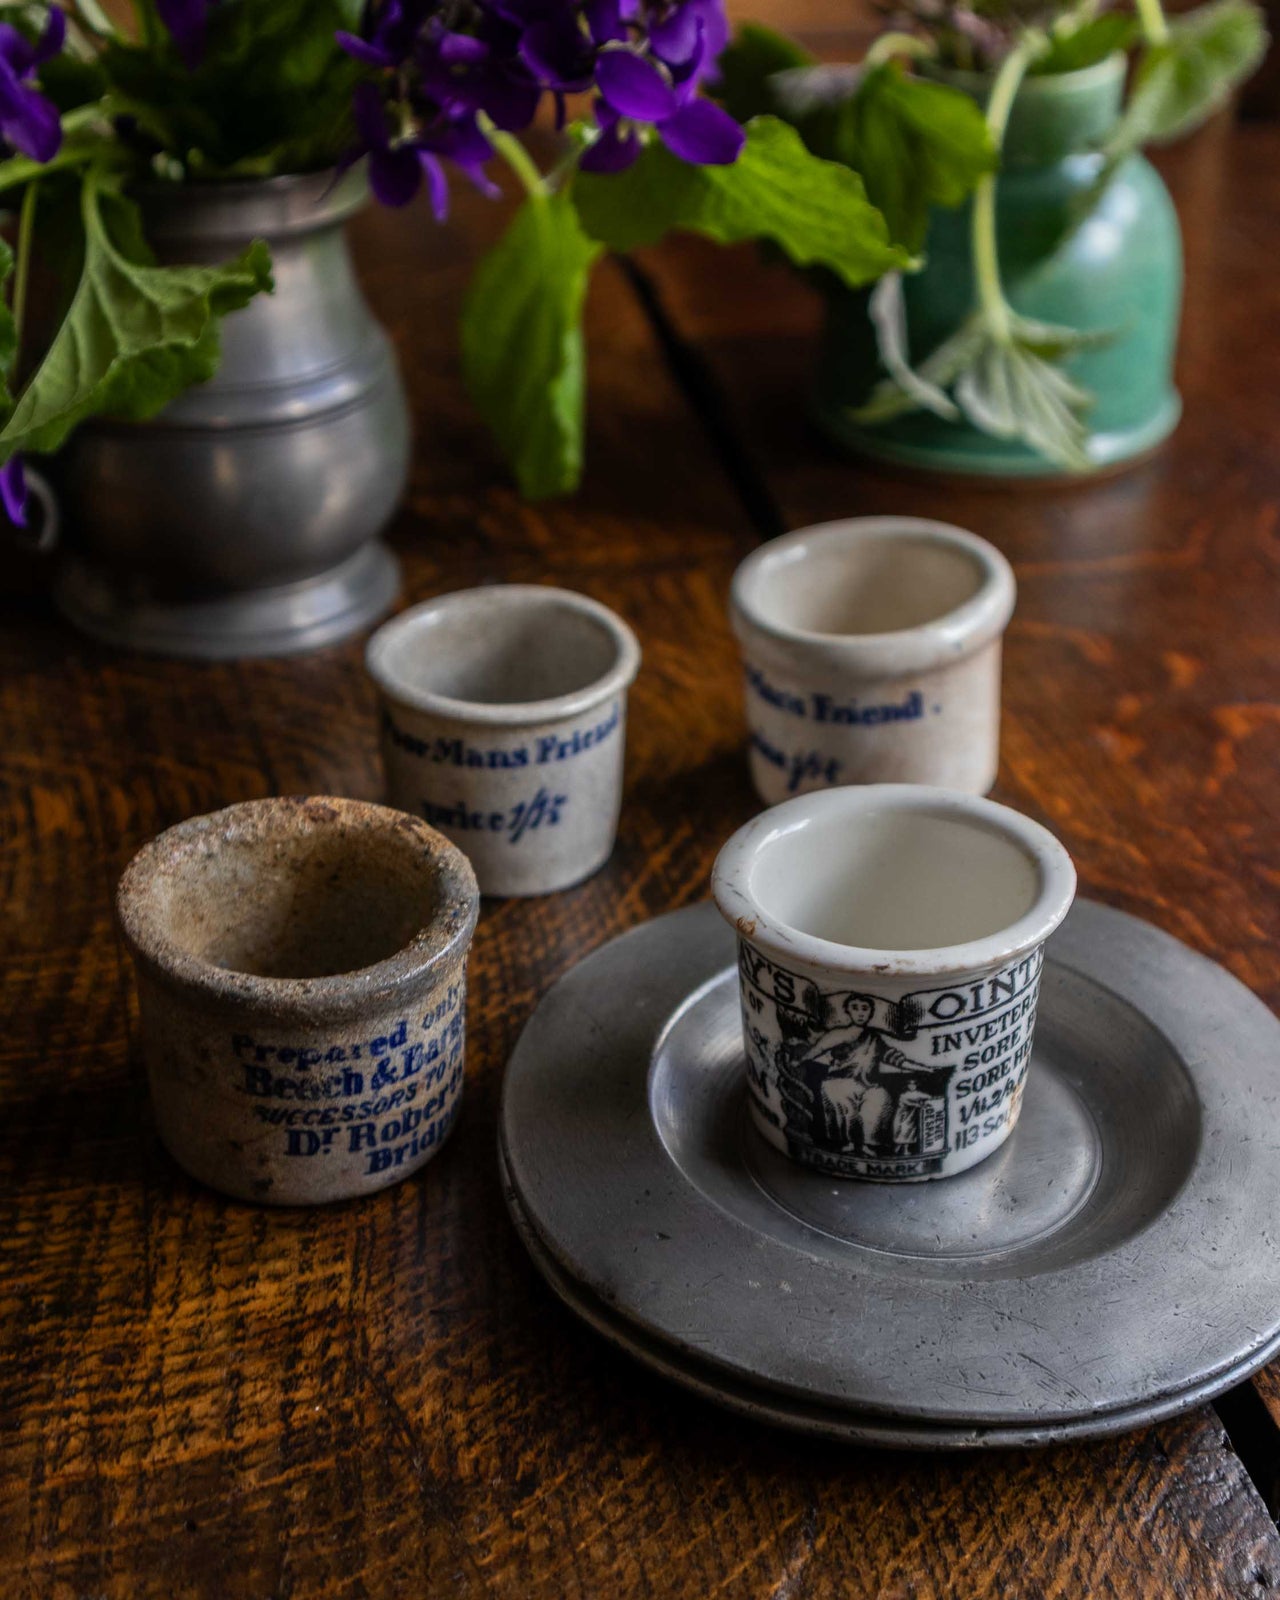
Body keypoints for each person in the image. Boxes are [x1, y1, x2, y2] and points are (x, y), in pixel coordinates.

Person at [788, 994, 937, 1156]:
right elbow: (817, 1049)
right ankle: (848, 1144)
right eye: (855, 1008)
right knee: (844, 1105)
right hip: (838, 1081)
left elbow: (895, 1059)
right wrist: (799, 1061)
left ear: (871, 1013)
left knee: (881, 1098)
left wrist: (924, 1068)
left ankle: (869, 1145)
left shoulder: (875, 1038)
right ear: (848, 1011)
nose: (860, 1013)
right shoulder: (838, 1035)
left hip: (867, 1083)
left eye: (865, 1009)